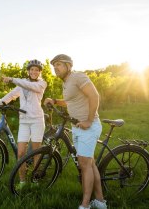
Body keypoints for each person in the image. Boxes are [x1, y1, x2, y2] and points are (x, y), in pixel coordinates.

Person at [44, 54, 107, 209]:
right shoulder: (66, 83)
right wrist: (55, 101)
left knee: (84, 165)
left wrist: (89, 120)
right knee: (89, 164)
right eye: (54, 66)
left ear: (68, 65)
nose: (55, 68)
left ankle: (85, 205)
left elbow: (94, 96)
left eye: (58, 64)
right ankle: (100, 201)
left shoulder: (78, 76)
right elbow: (70, 102)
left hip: (88, 127)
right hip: (78, 127)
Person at [0, 59, 47, 186]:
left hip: (37, 121)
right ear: (28, 71)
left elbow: (30, 86)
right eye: (32, 69)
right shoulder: (22, 84)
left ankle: (35, 179)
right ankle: (22, 181)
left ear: (39, 72)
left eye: (36, 70)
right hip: (24, 121)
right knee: (20, 153)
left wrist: (12, 79)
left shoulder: (41, 84)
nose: (34, 72)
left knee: (36, 152)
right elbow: (11, 95)